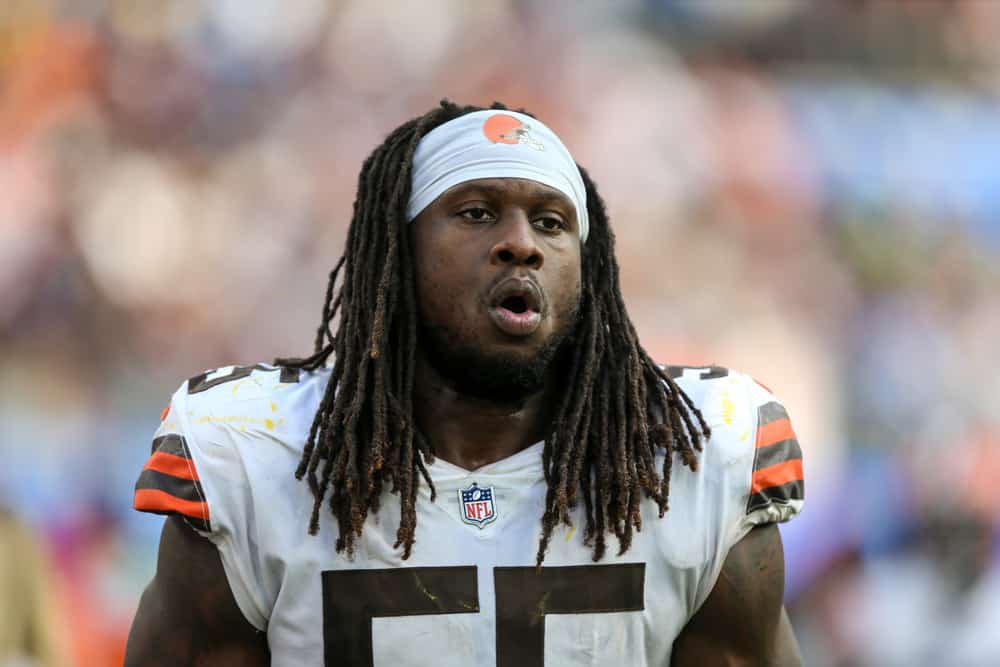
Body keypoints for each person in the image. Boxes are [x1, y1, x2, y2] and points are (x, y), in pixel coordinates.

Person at [125, 101, 805, 666]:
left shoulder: (692, 458)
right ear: (396, 252)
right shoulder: (253, 456)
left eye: (551, 221)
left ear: (588, 271)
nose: (521, 243)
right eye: (477, 211)